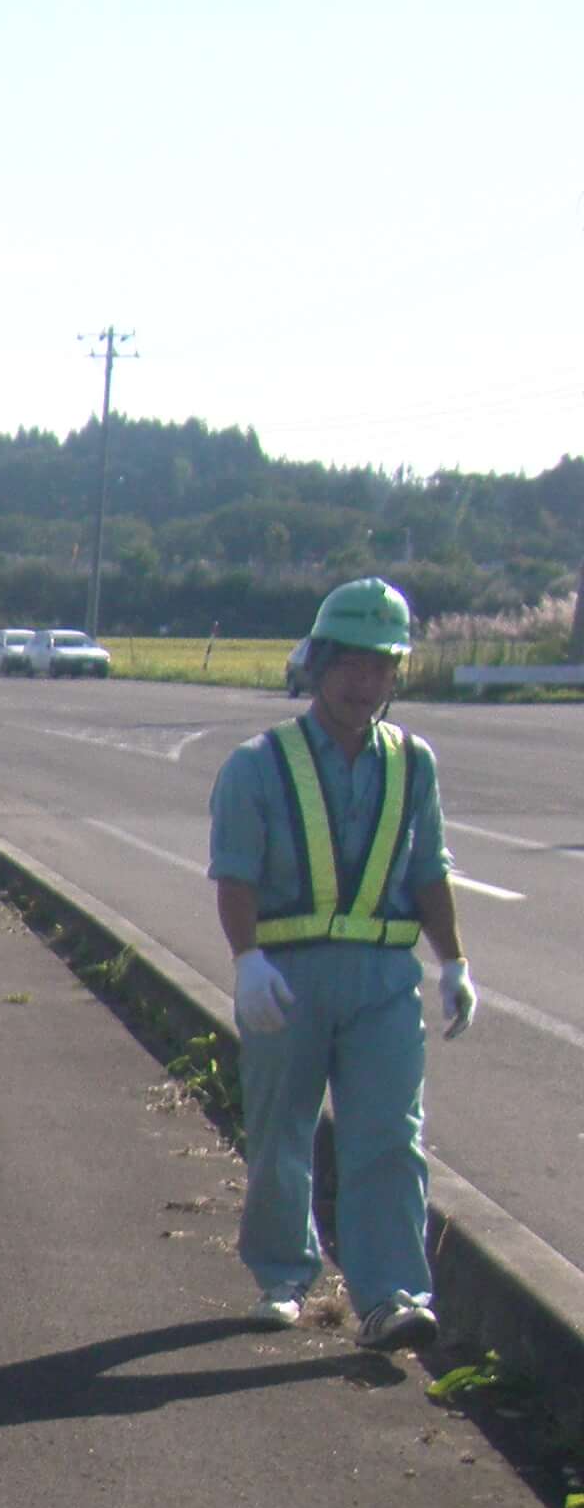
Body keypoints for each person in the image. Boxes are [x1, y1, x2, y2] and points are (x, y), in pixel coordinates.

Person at [205, 577, 477, 1350]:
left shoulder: (413, 762)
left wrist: (453, 961)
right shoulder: (259, 763)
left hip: (386, 980)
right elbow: (235, 874)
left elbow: (431, 869)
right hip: (286, 977)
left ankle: (389, 1294)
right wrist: (247, 960)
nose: (366, 684)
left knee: (389, 1134)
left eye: (383, 668)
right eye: (352, 666)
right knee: (281, 1131)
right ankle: (283, 1275)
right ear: (318, 665)